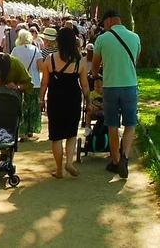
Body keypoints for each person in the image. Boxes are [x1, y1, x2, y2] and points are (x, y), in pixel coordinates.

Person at [91, 10, 141, 179]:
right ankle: (125, 157)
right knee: (130, 124)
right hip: (130, 85)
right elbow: (135, 60)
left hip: (110, 86)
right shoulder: (135, 37)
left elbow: (95, 66)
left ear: (110, 20)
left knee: (112, 125)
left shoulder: (102, 39)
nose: (103, 27)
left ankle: (115, 160)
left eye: (104, 23)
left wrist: (96, 76)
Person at [40, 27, 90, 179]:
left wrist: (41, 99)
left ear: (59, 41)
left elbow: (44, 83)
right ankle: (69, 162)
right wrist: (88, 102)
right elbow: (85, 85)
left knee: (56, 136)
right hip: (73, 99)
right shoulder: (80, 61)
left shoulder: (50, 59)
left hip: (55, 100)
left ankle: (59, 169)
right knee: (71, 133)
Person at [11, 30, 43, 140]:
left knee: (21, 107)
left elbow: (12, 66)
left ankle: (21, 131)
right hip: (34, 83)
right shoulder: (36, 49)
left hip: (19, 83)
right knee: (33, 107)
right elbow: (40, 67)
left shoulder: (15, 50)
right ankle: (31, 130)